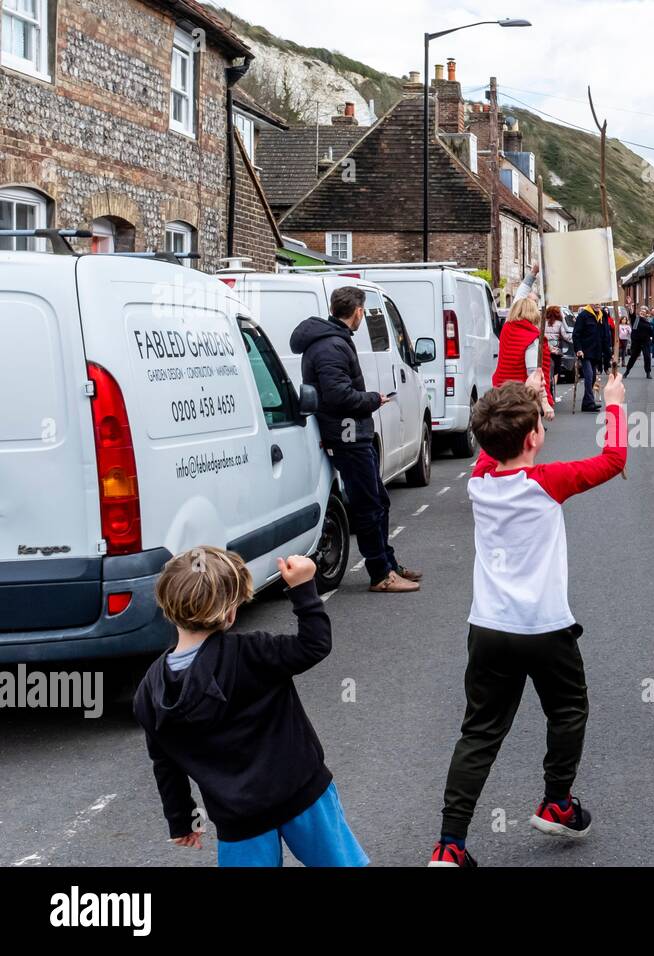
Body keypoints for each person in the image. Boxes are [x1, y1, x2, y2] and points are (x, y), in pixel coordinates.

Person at [429, 369, 628, 867]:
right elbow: (614, 458)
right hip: (544, 628)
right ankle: (556, 802)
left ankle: (449, 845)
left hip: (489, 628)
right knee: (567, 711)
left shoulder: (479, 483)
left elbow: (492, 446)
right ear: (537, 435)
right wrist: (615, 403)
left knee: (478, 733)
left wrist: (523, 403)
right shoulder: (548, 482)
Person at [134, 546, 368, 867]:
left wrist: (182, 820)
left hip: (238, 819)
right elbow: (313, 645)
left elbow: (165, 762)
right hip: (302, 793)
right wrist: (302, 588)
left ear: (166, 606)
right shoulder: (252, 652)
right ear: (229, 612)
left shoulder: (150, 691)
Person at [291, 287, 419, 593]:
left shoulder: (332, 341)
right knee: (368, 505)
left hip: (352, 433)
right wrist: (373, 399)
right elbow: (337, 396)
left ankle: (387, 564)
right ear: (358, 311)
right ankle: (380, 574)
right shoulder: (331, 346)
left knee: (378, 501)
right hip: (347, 435)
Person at [493, 294, 555, 420]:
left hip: (502, 391)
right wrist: (545, 402)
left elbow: (519, 296)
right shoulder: (531, 338)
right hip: (522, 397)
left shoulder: (506, 329)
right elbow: (534, 375)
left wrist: (531, 275)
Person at [572, 304, 603, 412]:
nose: (598, 304)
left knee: (593, 377)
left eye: (600, 302)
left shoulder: (600, 315)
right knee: (589, 376)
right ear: (591, 303)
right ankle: (590, 402)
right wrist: (578, 349)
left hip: (595, 352)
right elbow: (576, 334)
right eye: (596, 302)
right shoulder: (583, 316)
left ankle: (586, 404)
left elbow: (602, 335)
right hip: (585, 352)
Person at [623, 306, 654, 379]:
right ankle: (627, 371)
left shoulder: (648, 321)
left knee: (647, 357)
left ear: (646, 313)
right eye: (641, 311)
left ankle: (648, 373)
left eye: (644, 312)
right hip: (637, 342)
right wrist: (631, 310)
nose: (642, 312)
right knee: (633, 357)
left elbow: (651, 333)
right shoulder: (637, 319)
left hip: (645, 342)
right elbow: (632, 316)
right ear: (639, 312)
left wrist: (652, 331)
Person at [544, 306, 570, 391]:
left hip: (545, 350)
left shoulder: (543, 323)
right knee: (556, 371)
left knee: (546, 369)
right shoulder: (559, 324)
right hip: (556, 351)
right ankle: (553, 387)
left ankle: (547, 385)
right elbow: (565, 336)